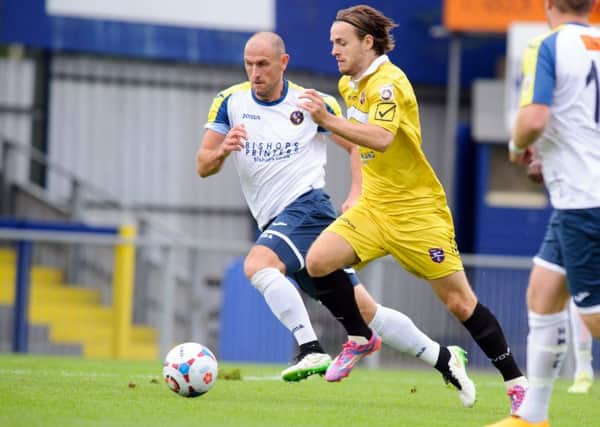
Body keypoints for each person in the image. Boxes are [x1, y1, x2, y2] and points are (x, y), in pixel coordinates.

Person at [196, 31, 476, 406]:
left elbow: (357, 145)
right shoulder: (229, 102)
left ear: (283, 63)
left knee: (258, 263)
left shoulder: (312, 103)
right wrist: (223, 151)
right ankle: (444, 358)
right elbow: (203, 164)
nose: (255, 72)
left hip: (308, 208)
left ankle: (310, 347)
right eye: (249, 64)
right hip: (275, 221)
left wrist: (357, 192)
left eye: (263, 64)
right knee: (366, 312)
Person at [298, 4, 527, 413]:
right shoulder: (350, 85)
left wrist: (327, 121)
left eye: (341, 42)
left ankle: (516, 382)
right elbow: (358, 143)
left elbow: (381, 139)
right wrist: (349, 172)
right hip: (374, 206)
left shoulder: (389, 83)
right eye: (332, 42)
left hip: (416, 211)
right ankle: (360, 336)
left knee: (460, 303)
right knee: (317, 262)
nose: (334, 50)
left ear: (368, 43)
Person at [484, 0, 600, 425]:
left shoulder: (548, 45)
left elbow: (533, 118)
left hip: (585, 199)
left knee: (592, 314)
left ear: (548, 5)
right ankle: (532, 416)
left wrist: (517, 147)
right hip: (580, 194)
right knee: (544, 289)